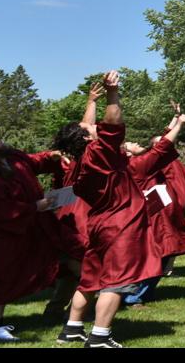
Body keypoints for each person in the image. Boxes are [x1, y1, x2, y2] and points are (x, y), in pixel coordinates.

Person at [63, 72, 158, 348]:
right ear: (88, 140)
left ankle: (72, 329)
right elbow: (113, 123)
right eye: (90, 129)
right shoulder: (100, 153)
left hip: (100, 223)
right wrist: (112, 92)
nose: (94, 127)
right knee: (116, 282)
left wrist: (91, 102)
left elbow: (89, 128)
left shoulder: (80, 164)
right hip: (120, 223)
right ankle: (100, 336)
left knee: (90, 278)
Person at [0, 135, 64, 341]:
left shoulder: (13, 158)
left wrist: (53, 157)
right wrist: (35, 207)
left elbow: (33, 161)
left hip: (23, 230)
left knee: (28, 267)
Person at [122, 104, 185, 306]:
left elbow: (161, 142)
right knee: (152, 257)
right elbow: (162, 145)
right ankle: (132, 296)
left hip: (155, 214)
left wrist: (176, 118)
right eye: (131, 144)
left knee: (161, 255)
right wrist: (178, 123)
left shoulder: (141, 163)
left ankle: (143, 293)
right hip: (146, 217)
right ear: (127, 153)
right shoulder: (137, 166)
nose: (136, 143)